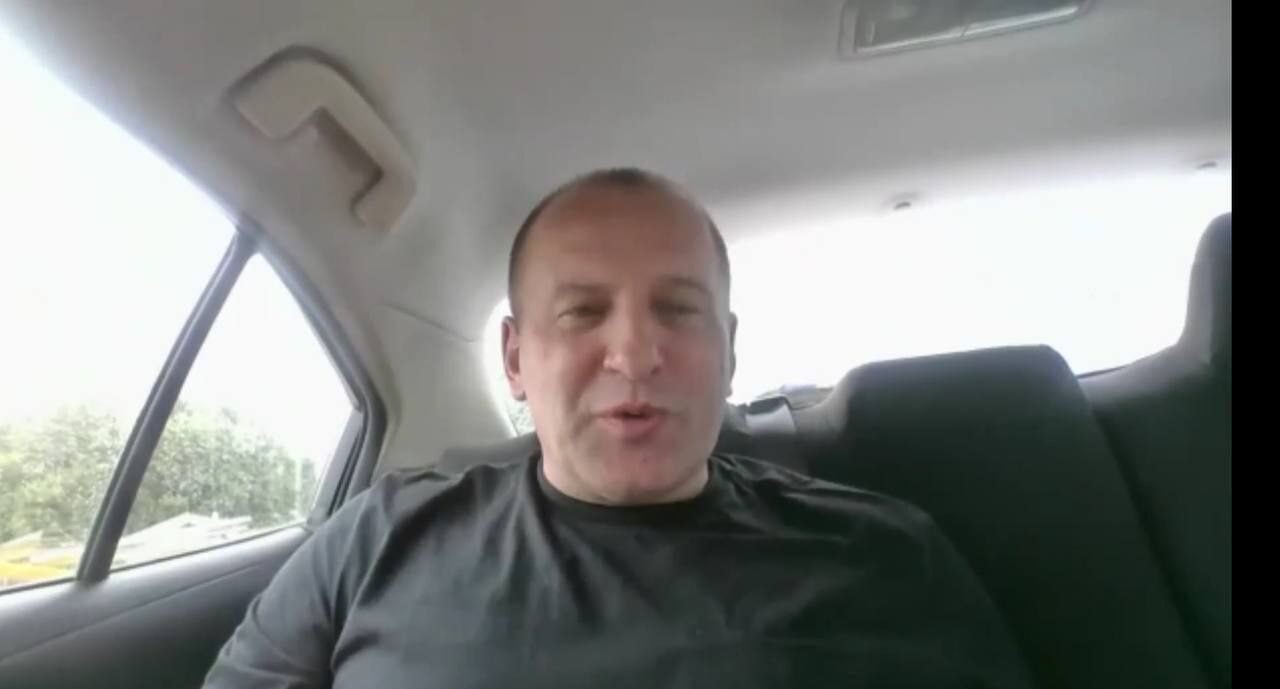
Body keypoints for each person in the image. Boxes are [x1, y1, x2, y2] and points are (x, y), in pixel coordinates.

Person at [203, 168, 1033, 688]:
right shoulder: (378, 539)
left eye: (678, 309)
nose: (635, 353)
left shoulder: (886, 555)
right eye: (583, 311)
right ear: (517, 358)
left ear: (729, 350)